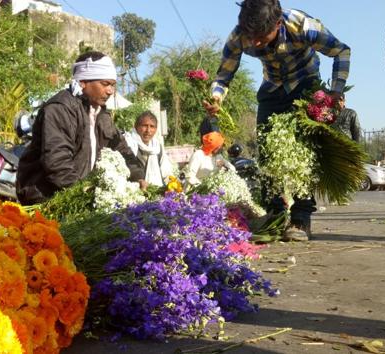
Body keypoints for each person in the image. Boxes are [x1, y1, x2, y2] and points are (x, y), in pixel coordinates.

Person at [203, 0, 351, 241]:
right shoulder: (240, 35)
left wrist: (335, 91)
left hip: (305, 84)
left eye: (262, 37)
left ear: (278, 23)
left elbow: (342, 51)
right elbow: (223, 75)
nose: (255, 43)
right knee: (268, 150)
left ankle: (301, 218)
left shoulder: (302, 25)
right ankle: (275, 212)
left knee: (305, 152)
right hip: (272, 87)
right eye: (252, 38)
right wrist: (216, 98)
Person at [16, 51, 146, 205]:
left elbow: (121, 148)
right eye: (105, 84)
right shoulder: (60, 108)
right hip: (47, 199)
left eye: (112, 85)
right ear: (83, 81)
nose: (110, 91)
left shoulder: (100, 114)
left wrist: (137, 176)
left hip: (78, 197)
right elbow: (57, 162)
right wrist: (83, 193)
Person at [123, 111, 175, 187]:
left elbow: (166, 171)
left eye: (152, 126)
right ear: (136, 126)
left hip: (154, 192)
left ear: (156, 129)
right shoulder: (128, 144)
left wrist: (172, 183)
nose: (148, 130)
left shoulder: (157, 147)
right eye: (144, 126)